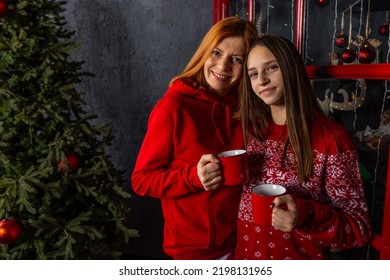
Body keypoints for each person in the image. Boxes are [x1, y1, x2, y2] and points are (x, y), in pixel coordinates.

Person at [234, 34, 372, 260]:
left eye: (271, 68)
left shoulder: (332, 140)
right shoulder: (252, 133)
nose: (261, 80)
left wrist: (305, 215)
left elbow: (358, 228)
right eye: (253, 74)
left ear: (291, 68)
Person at [131, 17, 258, 260]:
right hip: (194, 252)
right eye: (217, 53)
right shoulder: (174, 107)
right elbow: (141, 180)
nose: (222, 66)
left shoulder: (245, 108)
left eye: (236, 59)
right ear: (204, 52)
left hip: (241, 241)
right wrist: (192, 177)